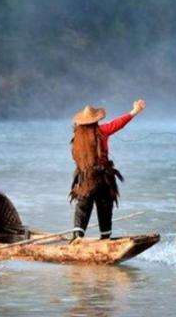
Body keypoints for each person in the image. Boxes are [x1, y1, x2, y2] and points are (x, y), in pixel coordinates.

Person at [69, 99, 146, 243]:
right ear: (95, 120)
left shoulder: (76, 139)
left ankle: (77, 237)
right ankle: (105, 238)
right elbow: (118, 124)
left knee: (83, 206)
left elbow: (76, 158)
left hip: (85, 178)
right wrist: (135, 111)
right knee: (104, 206)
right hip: (103, 177)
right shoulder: (102, 131)